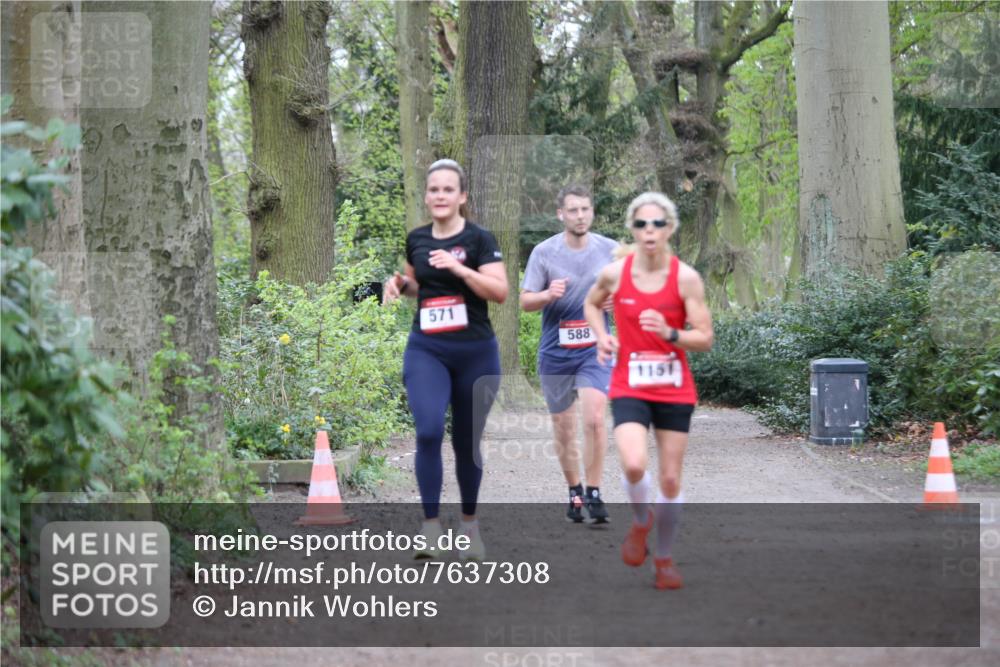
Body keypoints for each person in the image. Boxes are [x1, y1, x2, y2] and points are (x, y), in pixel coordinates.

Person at [583, 192, 713, 589]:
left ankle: (665, 558)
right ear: (632, 229)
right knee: (635, 464)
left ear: (670, 228)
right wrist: (602, 337)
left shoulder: (685, 278)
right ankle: (642, 521)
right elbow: (591, 304)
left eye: (657, 224)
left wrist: (671, 333)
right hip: (629, 384)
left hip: (674, 387)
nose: (649, 231)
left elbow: (705, 337)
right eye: (641, 224)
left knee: (670, 480)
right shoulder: (616, 274)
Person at [383, 159, 508, 561]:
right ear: (427, 195)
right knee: (429, 430)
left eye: (448, 189)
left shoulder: (479, 239)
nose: (440, 196)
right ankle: (431, 528)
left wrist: (458, 268)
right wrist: (400, 284)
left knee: (466, 441)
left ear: (462, 196)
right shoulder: (416, 239)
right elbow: (416, 285)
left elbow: (500, 291)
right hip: (428, 349)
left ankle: (469, 527)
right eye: (434, 189)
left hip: (475, 352)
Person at [520, 185, 617, 524]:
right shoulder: (544, 253)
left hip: (595, 348)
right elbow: (525, 301)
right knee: (564, 427)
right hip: (556, 352)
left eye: (585, 209)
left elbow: (631, 293)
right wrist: (547, 294)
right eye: (573, 210)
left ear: (592, 212)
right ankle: (574, 491)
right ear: (560, 214)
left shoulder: (611, 250)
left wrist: (614, 301)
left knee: (593, 418)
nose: (580, 216)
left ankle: (594, 491)